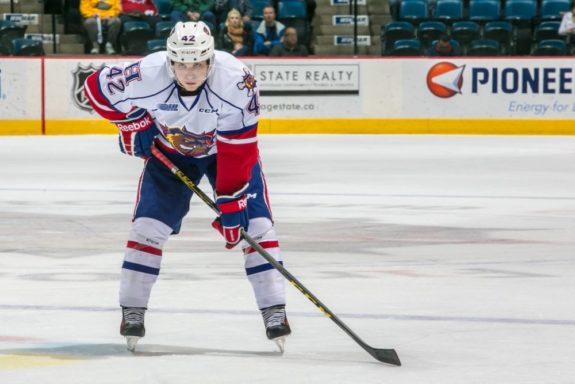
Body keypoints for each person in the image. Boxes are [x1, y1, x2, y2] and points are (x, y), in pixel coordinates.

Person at [83, 21, 290, 352]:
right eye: (181, 63)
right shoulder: (146, 72)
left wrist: (232, 204)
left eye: (197, 64)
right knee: (146, 229)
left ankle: (274, 310)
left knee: (258, 227)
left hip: (225, 153)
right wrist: (135, 124)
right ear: (169, 61)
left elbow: (239, 149)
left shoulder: (238, 80)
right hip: (170, 154)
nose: (189, 72)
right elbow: (94, 88)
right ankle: (133, 310)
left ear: (210, 60)